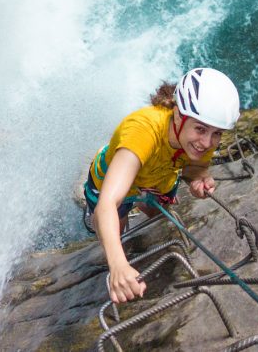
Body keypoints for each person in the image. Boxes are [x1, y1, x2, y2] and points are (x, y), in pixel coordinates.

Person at [83, 67, 241, 304]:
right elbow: (107, 203)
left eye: (216, 133)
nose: (207, 142)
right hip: (112, 179)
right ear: (178, 115)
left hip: (160, 175)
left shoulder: (198, 141)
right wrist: (117, 265)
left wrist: (198, 179)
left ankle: (144, 207)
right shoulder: (143, 131)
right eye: (200, 129)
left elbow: (195, 167)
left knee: (158, 213)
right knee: (115, 228)